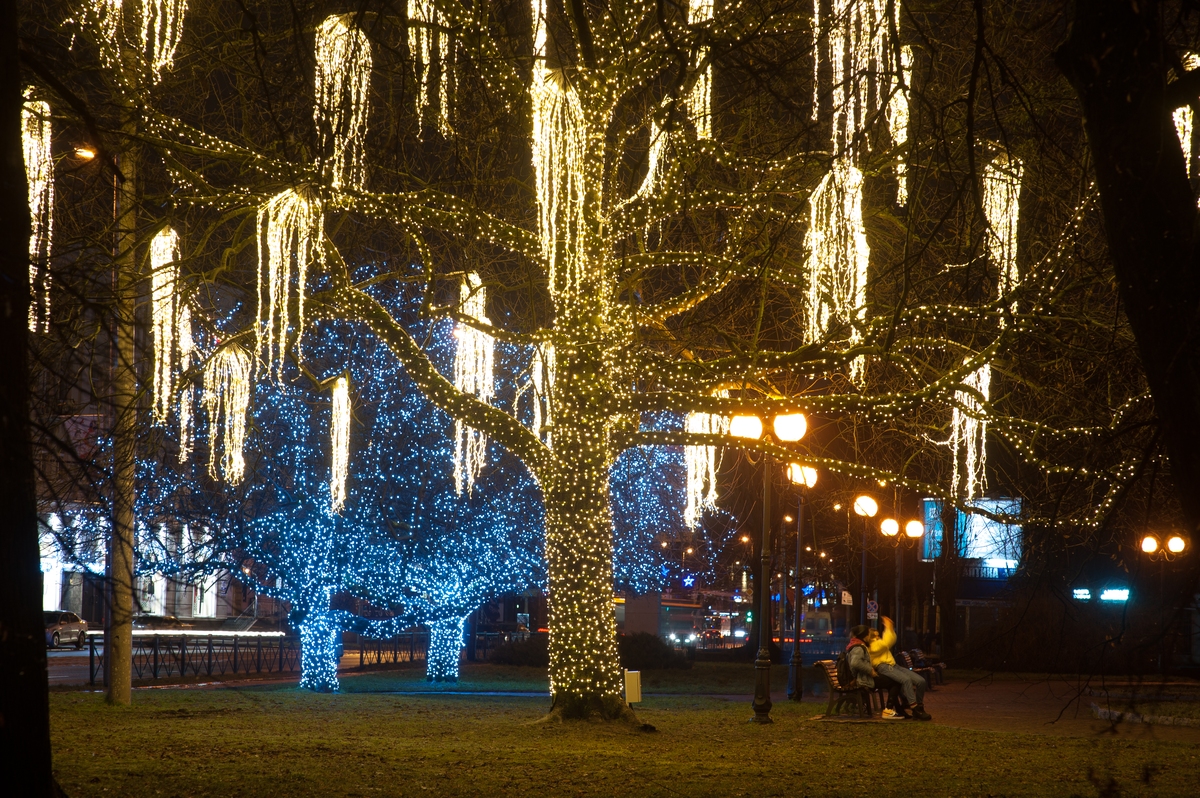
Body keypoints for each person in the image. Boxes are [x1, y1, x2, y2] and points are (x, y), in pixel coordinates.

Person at [868, 616, 931, 721]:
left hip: (893, 665)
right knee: (905, 680)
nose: (877, 637)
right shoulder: (871, 646)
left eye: (878, 635)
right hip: (883, 666)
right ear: (869, 638)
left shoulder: (879, 644)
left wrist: (889, 629)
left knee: (921, 681)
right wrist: (888, 628)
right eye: (875, 636)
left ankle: (920, 706)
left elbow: (889, 641)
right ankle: (914, 708)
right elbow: (886, 643)